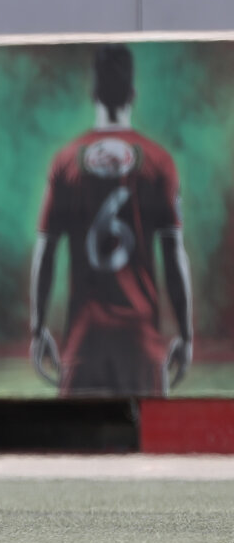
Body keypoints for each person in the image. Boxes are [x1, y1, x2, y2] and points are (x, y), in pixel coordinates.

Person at [30, 44, 193, 396]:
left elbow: (45, 252)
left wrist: (38, 328)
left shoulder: (66, 161)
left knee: (77, 433)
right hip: (141, 341)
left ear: (93, 93)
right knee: (147, 433)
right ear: (133, 94)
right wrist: (186, 334)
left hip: (85, 338)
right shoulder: (160, 161)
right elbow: (174, 256)